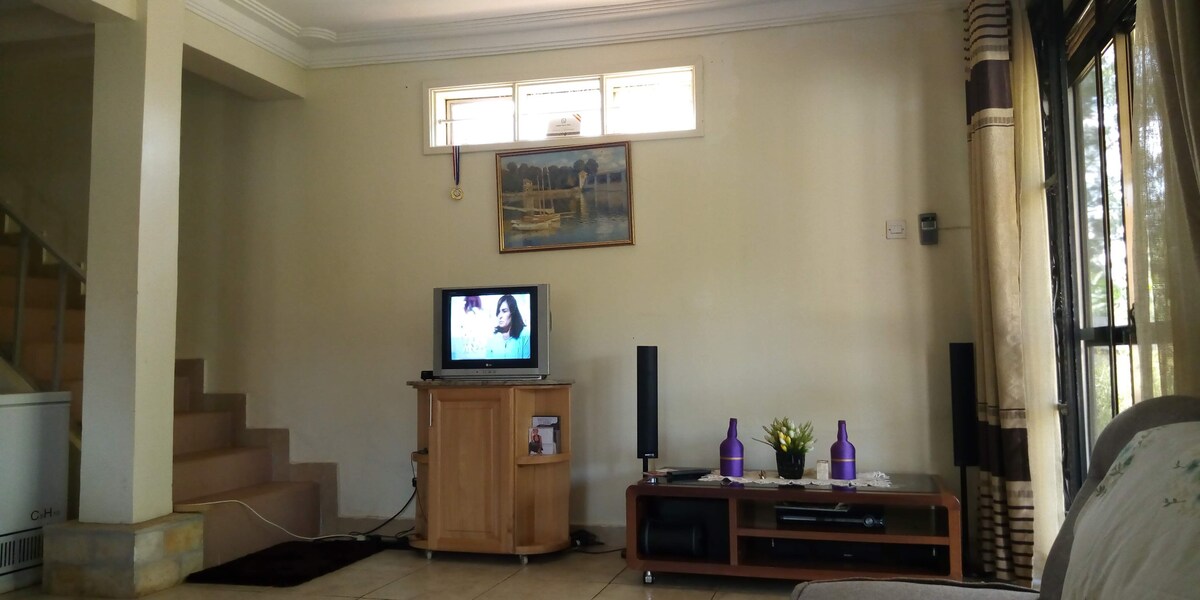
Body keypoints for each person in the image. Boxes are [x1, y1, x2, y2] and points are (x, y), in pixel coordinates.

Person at [486, 294, 531, 359]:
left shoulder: (525, 334)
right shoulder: (492, 337)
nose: (500, 316)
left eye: (504, 311)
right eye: (498, 312)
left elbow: (529, 364)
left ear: (513, 313)